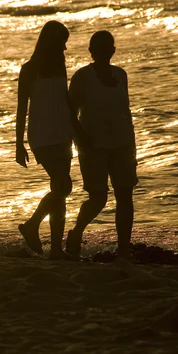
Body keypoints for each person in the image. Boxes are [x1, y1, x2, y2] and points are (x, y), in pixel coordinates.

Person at [66, 30, 138, 259]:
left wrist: (132, 140)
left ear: (114, 50)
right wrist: (81, 141)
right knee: (98, 198)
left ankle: (124, 250)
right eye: (100, 47)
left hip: (124, 143)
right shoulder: (82, 77)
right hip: (92, 145)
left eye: (109, 47)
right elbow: (70, 113)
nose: (106, 51)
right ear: (91, 51)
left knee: (125, 195)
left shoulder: (121, 75)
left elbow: (125, 111)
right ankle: (76, 233)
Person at [15, 20, 81, 260]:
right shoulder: (29, 69)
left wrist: (77, 131)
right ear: (51, 42)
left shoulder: (59, 67)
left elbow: (65, 101)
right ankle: (32, 225)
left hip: (62, 134)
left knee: (59, 189)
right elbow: (22, 107)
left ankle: (55, 249)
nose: (65, 49)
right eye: (62, 43)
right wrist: (18, 143)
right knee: (64, 186)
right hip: (41, 136)